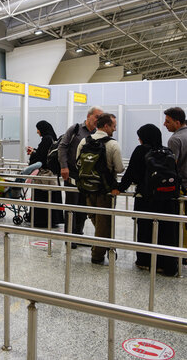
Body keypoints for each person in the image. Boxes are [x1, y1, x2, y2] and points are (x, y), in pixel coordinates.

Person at [118, 124, 179, 276]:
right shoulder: (167, 151)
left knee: (145, 229)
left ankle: (145, 261)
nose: (138, 139)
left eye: (140, 136)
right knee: (166, 231)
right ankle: (167, 264)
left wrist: (119, 188)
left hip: (146, 199)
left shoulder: (140, 150)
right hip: (167, 199)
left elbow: (130, 173)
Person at [76, 113, 124, 264]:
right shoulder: (112, 144)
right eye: (113, 126)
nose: (114, 129)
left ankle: (104, 245)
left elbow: (78, 163)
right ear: (106, 126)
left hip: (87, 187)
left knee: (95, 217)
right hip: (106, 190)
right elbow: (120, 168)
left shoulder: (84, 141)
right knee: (104, 221)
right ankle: (98, 254)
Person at [58, 106, 103, 243]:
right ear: (89, 116)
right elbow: (62, 147)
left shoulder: (97, 133)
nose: (98, 120)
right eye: (97, 117)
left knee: (84, 206)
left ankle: (78, 234)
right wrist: (64, 167)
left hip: (87, 176)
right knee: (72, 205)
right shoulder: (75, 129)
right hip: (72, 173)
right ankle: (69, 237)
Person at [164, 106, 187, 265]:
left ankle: (186, 252)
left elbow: (172, 165)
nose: (165, 124)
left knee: (184, 219)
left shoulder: (175, 139)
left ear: (177, 122)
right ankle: (185, 249)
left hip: (182, 185)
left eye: (168, 121)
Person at [26, 120, 63, 228]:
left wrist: (33, 153)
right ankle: (54, 219)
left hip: (45, 174)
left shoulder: (46, 139)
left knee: (42, 196)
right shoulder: (52, 138)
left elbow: (41, 157)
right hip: (53, 174)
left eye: (38, 129)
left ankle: (41, 220)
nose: (37, 131)